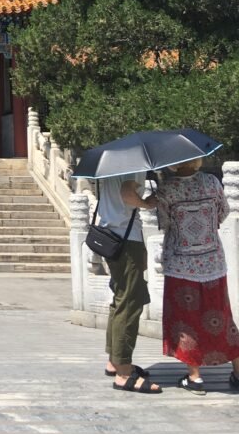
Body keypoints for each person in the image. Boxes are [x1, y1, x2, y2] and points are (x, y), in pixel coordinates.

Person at [157, 157, 239, 394]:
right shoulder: (212, 182)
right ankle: (237, 370)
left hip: (181, 265)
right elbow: (223, 213)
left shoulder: (167, 188)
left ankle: (195, 377)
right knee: (222, 317)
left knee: (186, 321)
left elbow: (165, 222)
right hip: (212, 261)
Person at [98, 173, 162, 393]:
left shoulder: (112, 166)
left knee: (120, 299)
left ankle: (115, 361)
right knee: (129, 303)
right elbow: (127, 194)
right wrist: (146, 203)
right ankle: (124, 373)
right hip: (126, 239)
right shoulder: (132, 163)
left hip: (111, 236)